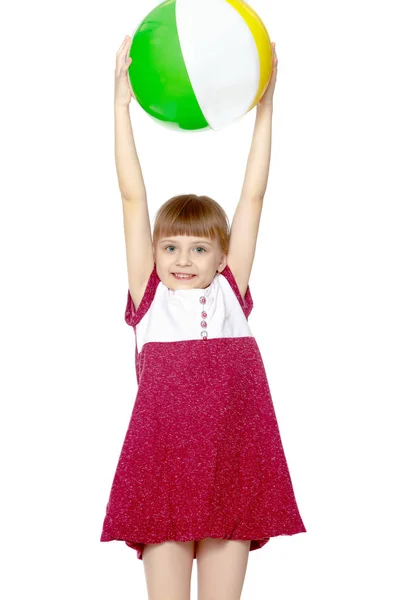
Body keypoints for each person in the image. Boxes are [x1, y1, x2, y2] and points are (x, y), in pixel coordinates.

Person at [100, 34, 306, 600]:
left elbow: (253, 196)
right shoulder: (149, 297)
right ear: (155, 253)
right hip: (163, 466)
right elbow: (132, 198)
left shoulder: (231, 292)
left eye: (198, 248)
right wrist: (120, 105)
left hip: (233, 464)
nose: (183, 260)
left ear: (222, 256)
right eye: (170, 248)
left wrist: (266, 108)